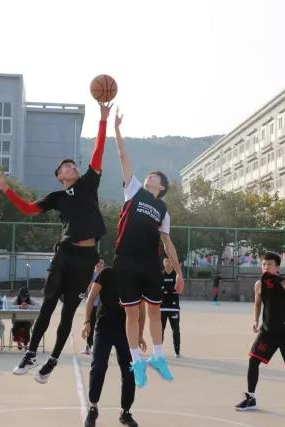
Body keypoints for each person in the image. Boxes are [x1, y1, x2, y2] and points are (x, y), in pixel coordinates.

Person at [0, 101, 111, 383]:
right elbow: (28, 209)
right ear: (59, 176)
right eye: (66, 166)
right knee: (48, 305)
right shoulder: (56, 197)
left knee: (68, 314)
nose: (71, 165)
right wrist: (7, 190)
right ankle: (31, 353)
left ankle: (52, 361)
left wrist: (102, 119)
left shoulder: (88, 183)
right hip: (64, 255)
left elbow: (98, 151)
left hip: (86, 258)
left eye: (73, 164)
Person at [112, 109, 185, 388]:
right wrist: (117, 128)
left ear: (161, 185)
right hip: (126, 259)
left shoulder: (163, 209)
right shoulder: (133, 190)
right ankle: (136, 361)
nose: (148, 177)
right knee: (132, 313)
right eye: (149, 175)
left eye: (154, 176)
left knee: (155, 310)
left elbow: (167, 243)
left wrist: (178, 272)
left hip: (150, 262)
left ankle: (158, 356)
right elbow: (123, 156)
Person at [236, 252, 285, 416]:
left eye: (269, 264)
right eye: (263, 264)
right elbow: (257, 304)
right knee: (253, 360)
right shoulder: (259, 285)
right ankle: (251, 398)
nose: (265, 267)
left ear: (277, 267)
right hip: (268, 332)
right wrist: (255, 320)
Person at [82, 266, 143, 427]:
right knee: (98, 366)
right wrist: (87, 322)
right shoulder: (106, 274)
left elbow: (141, 309)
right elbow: (91, 297)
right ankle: (93, 408)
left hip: (126, 330)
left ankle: (125, 412)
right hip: (104, 327)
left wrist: (140, 334)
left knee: (129, 370)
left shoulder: (135, 278)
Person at [160, 258, 181, 358]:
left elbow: (177, 288)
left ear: (172, 263)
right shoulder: (160, 275)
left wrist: (166, 289)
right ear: (163, 263)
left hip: (174, 307)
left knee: (176, 330)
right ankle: (158, 352)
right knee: (160, 330)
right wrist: (170, 290)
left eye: (169, 262)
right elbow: (158, 289)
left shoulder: (177, 275)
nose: (168, 264)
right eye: (166, 262)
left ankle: (177, 352)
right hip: (162, 308)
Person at [84, 258, 105, 355]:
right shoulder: (91, 274)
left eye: (101, 263)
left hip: (102, 306)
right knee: (90, 325)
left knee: (101, 327)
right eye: (98, 263)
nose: (99, 264)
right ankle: (89, 346)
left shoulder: (105, 274)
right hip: (92, 305)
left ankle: (100, 346)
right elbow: (91, 285)